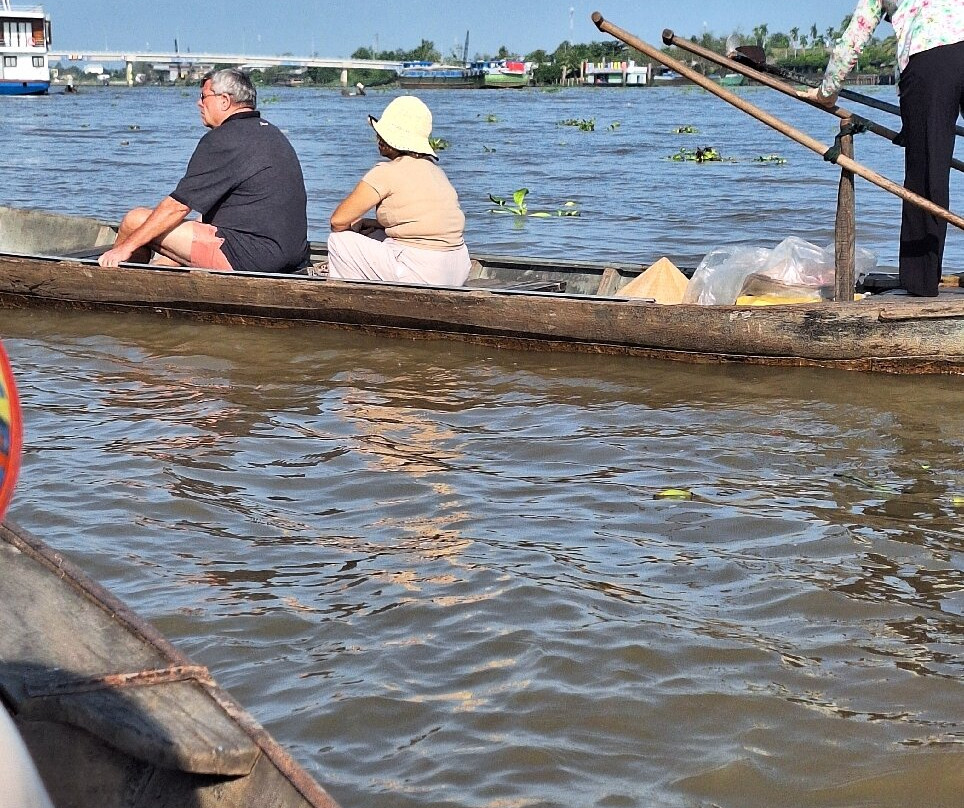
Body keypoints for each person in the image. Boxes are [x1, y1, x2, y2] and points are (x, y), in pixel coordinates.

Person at [802, 1, 964, 297]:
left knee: (926, 174)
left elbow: (854, 37)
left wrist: (826, 94)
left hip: (930, 58)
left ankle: (921, 283)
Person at [99, 68, 310, 273]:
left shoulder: (223, 139)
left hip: (254, 257)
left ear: (225, 100)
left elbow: (178, 206)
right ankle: (156, 273)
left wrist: (125, 249)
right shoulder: (273, 134)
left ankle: (120, 288)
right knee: (172, 248)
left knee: (135, 221)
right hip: (292, 255)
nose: (198, 103)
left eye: (203, 96)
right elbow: (216, 212)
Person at [327, 95, 471, 286]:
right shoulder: (435, 171)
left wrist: (351, 233)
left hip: (422, 270)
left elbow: (338, 221)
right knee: (372, 234)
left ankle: (345, 298)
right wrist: (375, 225)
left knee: (340, 241)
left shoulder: (386, 172)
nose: (378, 138)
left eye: (383, 135)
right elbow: (422, 222)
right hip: (457, 267)